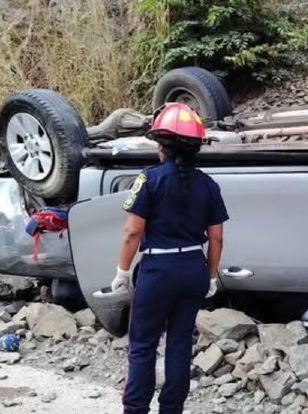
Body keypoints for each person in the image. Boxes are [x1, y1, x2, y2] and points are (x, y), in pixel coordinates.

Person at [112, 102, 229, 414]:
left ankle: (135, 409)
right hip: (193, 269)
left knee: (143, 346)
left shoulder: (148, 179)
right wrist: (212, 276)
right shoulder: (209, 185)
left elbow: (131, 233)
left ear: (161, 146)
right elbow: (216, 236)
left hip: (157, 271)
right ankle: (171, 409)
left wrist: (122, 272)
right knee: (179, 345)